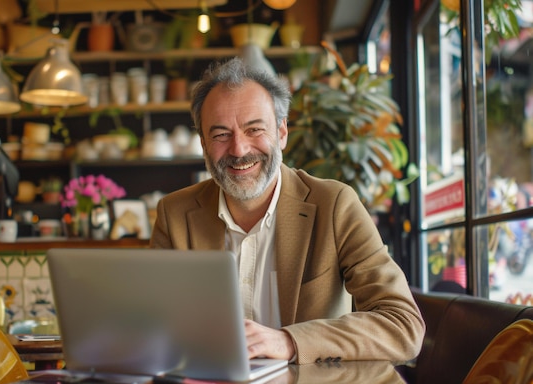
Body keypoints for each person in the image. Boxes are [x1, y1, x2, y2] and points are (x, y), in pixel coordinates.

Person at [150, 57, 425, 364]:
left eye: (255, 130)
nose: (239, 150)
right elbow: (150, 324)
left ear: (282, 132)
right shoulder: (174, 214)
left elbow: (403, 325)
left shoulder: (335, 205)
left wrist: (290, 342)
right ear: (203, 144)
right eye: (220, 135)